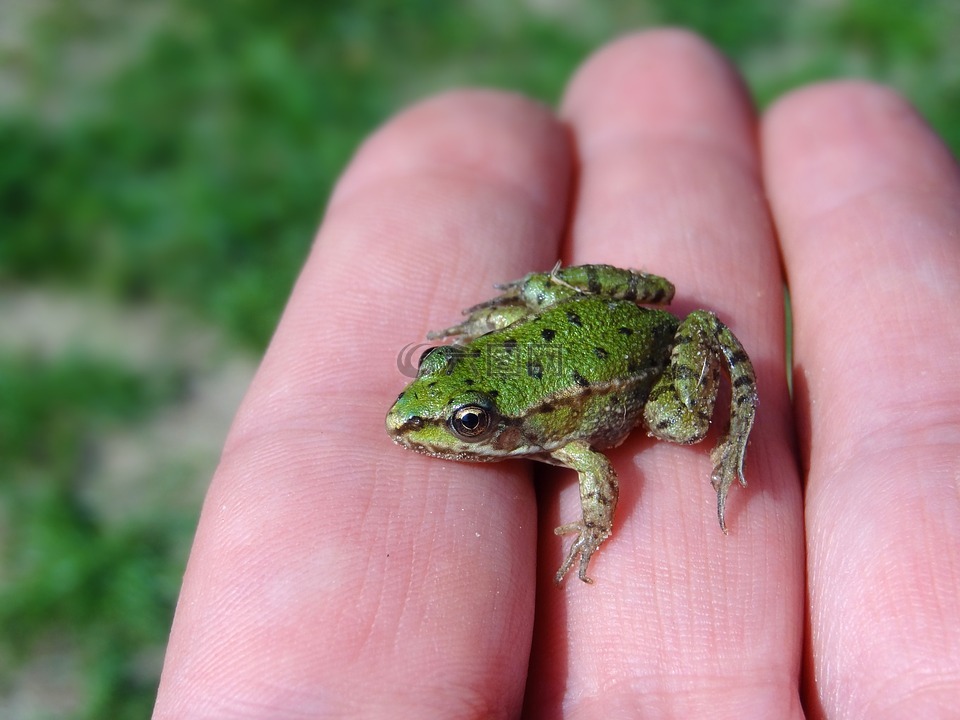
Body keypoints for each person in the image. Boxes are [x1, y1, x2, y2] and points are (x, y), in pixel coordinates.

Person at [152, 29, 960, 718]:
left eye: (466, 423)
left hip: (637, 362)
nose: (418, 416)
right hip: (587, 330)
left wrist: (595, 529)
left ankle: (731, 416)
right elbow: (509, 322)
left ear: (505, 425)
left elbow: (597, 470)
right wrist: (506, 325)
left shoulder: (565, 443)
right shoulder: (491, 350)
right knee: (541, 296)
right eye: (444, 381)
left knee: (678, 428)